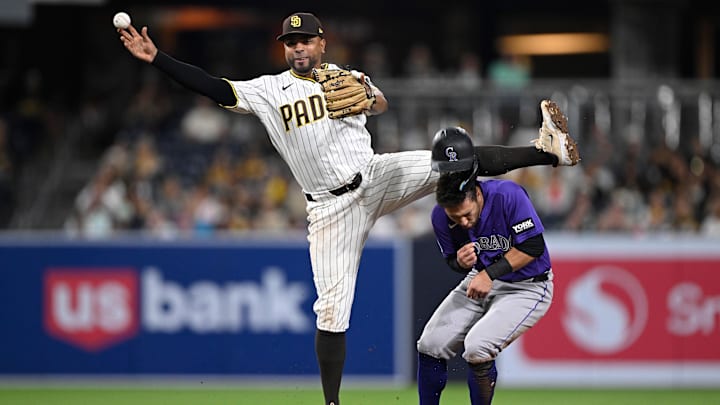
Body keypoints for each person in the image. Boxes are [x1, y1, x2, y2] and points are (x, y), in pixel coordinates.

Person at [117, 12, 578, 405]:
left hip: (375, 174)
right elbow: (215, 87)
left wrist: (367, 94)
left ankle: (546, 150)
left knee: (453, 159)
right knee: (332, 312)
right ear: (285, 49)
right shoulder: (269, 90)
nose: (297, 48)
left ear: (321, 42)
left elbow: (380, 103)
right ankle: (333, 403)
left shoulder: (345, 75)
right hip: (330, 209)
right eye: (290, 42)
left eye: (305, 40)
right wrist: (158, 59)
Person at [417, 127, 555, 405]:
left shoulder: (507, 195)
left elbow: (533, 247)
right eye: (456, 218)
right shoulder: (441, 217)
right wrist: (459, 261)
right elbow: (452, 261)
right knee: (430, 345)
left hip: (528, 286)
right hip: (480, 278)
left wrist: (489, 274)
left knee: (477, 347)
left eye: (467, 214)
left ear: (477, 194)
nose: (464, 222)